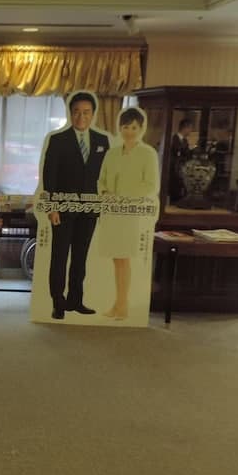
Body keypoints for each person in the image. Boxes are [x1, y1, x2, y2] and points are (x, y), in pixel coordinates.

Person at [40, 91, 110, 320]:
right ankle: (58, 302)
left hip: (89, 209)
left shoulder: (102, 141)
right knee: (59, 257)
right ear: (70, 113)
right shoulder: (58, 140)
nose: (81, 117)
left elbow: (107, 174)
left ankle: (75, 300)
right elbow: (49, 177)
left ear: (93, 114)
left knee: (80, 257)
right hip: (62, 209)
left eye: (86, 112)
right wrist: (51, 207)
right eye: (77, 112)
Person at [95, 107, 160, 320]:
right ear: (119, 128)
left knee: (124, 258)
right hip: (111, 212)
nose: (129, 131)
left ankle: (122, 305)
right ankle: (118, 304)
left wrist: (125, 197)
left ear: (141, 129)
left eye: (134, 127)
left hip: (131, 213)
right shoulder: (112, 153)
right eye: (125, 127)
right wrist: (106, 193)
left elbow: (150, 184)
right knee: (117, 259)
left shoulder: (148, 154)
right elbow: (101, 180)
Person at [169, 117, 195, 201]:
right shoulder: (174, 139)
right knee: (174, 189)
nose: (191, 131)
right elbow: (177, 152)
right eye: (190, 128)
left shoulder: (185, 141)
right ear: (185, 127)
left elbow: (186, 153)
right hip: (173, 169)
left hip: (181, 169)